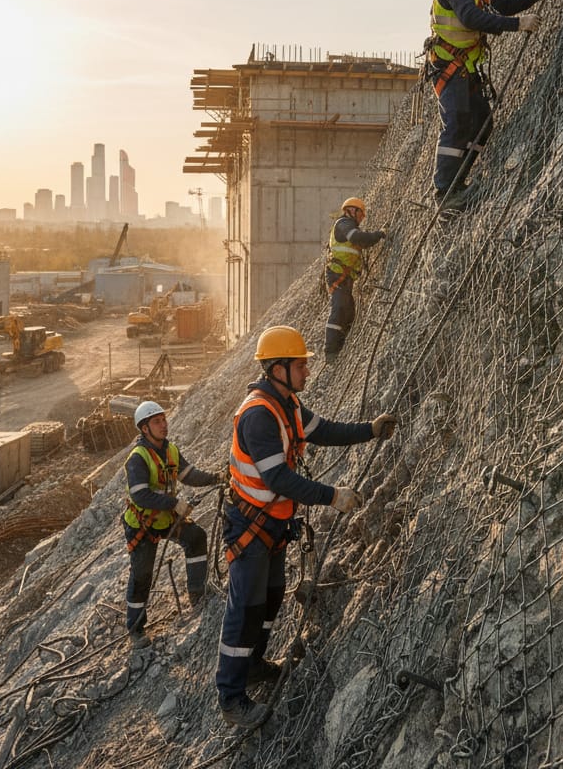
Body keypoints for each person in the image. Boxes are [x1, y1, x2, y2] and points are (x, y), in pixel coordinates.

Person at [215, 325, 397, 728]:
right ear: (278, 369)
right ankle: (230, 696)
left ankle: (254, 664)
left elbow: (324, 430)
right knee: (245, 608)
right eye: (300, 365)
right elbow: (278, 478)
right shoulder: (259, 416)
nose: (307, 371)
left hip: (271, 525)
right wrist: (332, 496)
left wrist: (369, 430)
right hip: (250, 526)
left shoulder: (288, 406)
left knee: (270, 598)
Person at [427, 0, 563, 210]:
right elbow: (470, 16)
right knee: (456, 123)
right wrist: (518, 25)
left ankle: (458, 183)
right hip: (449, 65)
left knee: (482, 123)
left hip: (465, 66)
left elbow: (506, 5)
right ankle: (444, 193)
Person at [122, 400, 222, 647]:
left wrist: (216, 478)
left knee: (196, 537)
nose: (164, 425)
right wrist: (174, 503)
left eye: (164, 419)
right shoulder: (138, 458)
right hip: (142, 525)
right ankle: (135, 629)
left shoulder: (171, 451)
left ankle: (197, 592)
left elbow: (189, 475)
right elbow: (140, 495)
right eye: (157, 422)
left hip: (165, 519)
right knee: (142, 574)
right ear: (144, 428)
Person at [325, 197, 386, 361]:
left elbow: (363, 242)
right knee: (339, 308)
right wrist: (379, 234)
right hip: (337, 275)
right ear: (352, 210)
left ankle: (341, 345)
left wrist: (376, 236)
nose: (361, 218)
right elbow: (357, 238)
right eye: (361, 214)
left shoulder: (348, 226)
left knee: (349, 312)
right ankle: (331, 351)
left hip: (344, 277)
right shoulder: (344, 224)